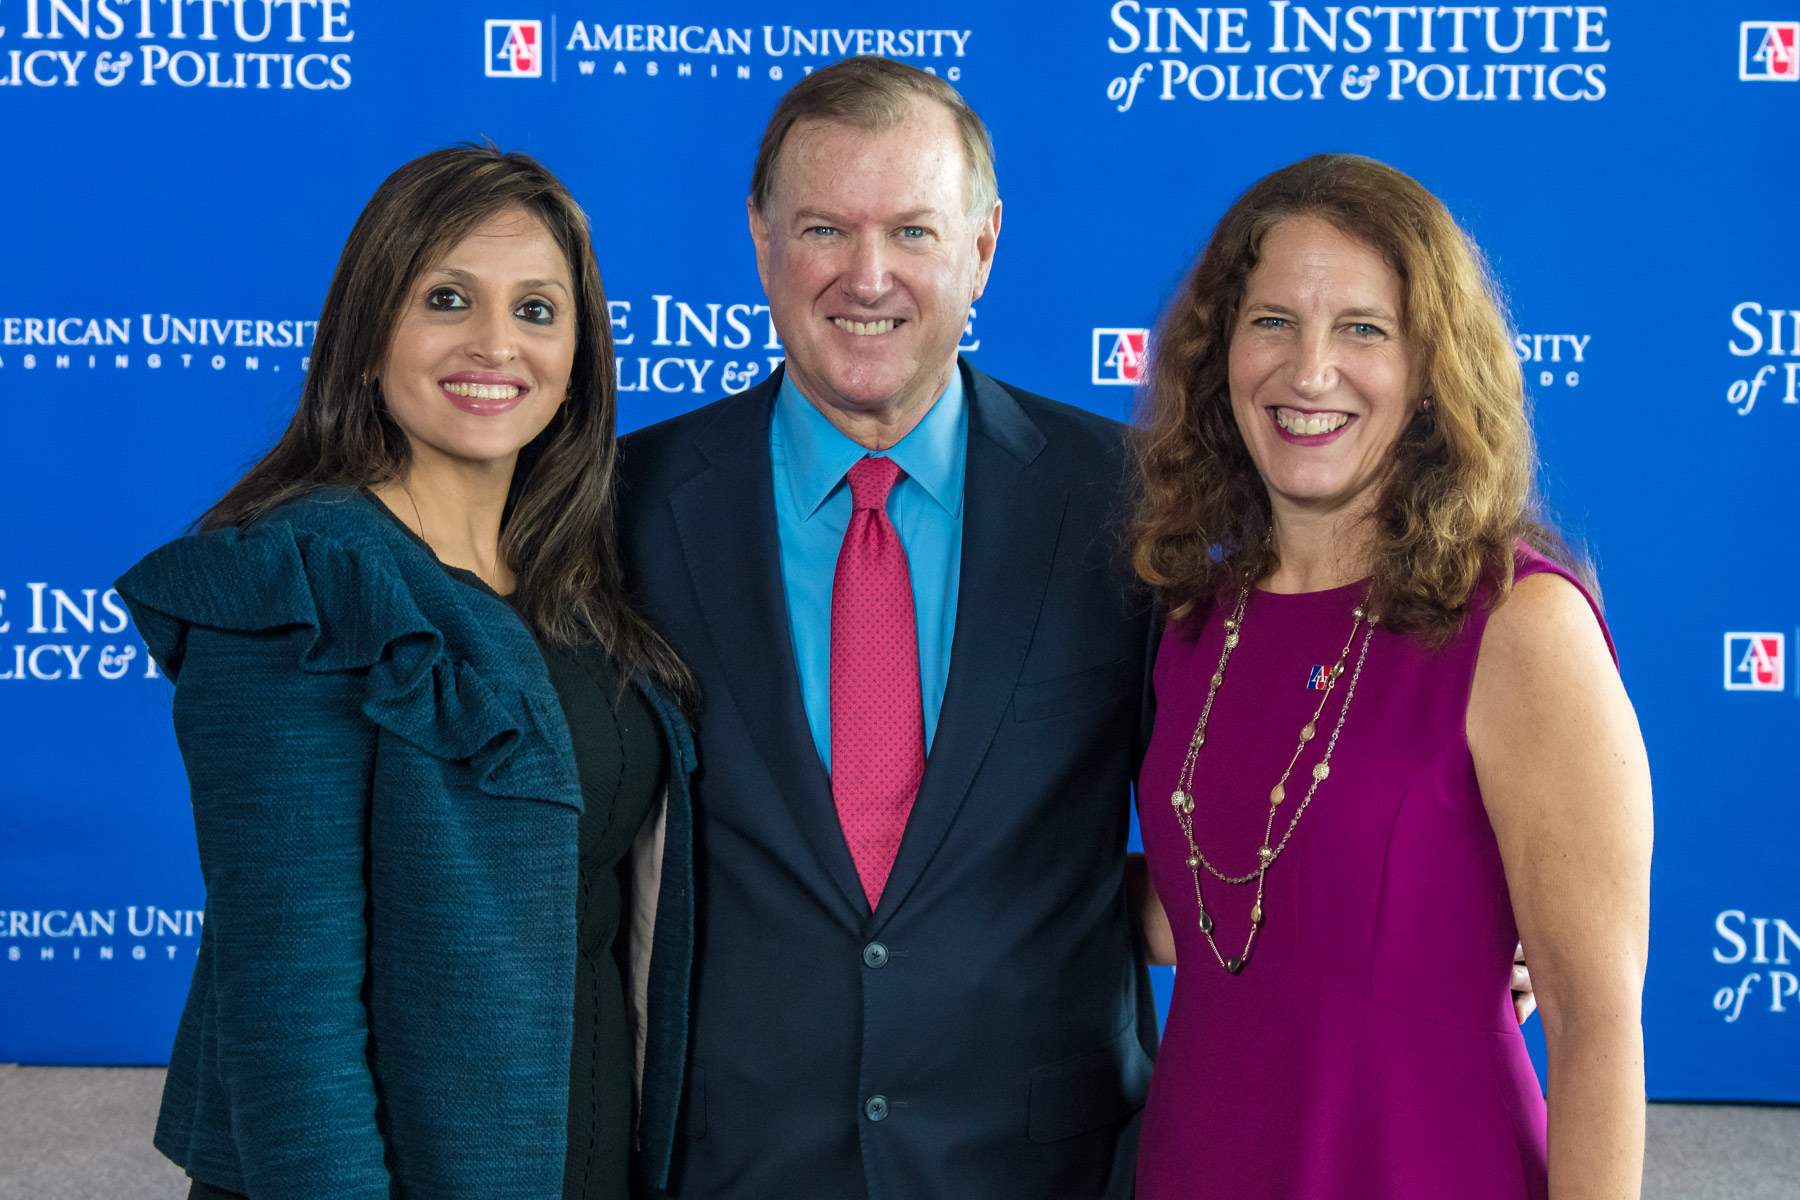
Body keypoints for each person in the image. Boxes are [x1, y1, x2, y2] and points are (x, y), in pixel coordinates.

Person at [616, 57, 1159, 1197]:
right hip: (731, 1164)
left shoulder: (1130, 503)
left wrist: (1437, 923)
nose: (868, 277)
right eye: (824, 228)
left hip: (1043, 1164)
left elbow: (1260, 766)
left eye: (913, 232)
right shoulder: (625, 507)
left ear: (982, 247)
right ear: (762, 238)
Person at [114, 145, 697, 1200]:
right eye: (446, 298)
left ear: (579, 350)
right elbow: (288, 1013)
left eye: (536, 309)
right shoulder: (304, 583)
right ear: (370, 329)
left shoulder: (582, 578)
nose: (494, 344)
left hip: (585, 1150)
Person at [1128, 153, 1653, 1197]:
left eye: (1363, 329)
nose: (1309, 371)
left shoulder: (1521, 624)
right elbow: (1227, 902)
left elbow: (1597, 1030)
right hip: (1197, 1161)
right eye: (1272, 320)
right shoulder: (1195, 620)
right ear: (1220, 350)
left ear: (1429, 369)